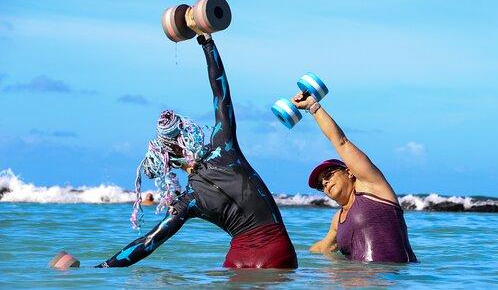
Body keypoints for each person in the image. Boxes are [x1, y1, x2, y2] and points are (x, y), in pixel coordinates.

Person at [96, 34, 297, 269]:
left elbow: (149, 242)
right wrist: (207, 43)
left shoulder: (188, 200)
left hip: (236, 260)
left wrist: (102, 268)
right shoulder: (223, 146)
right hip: (273, 250)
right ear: (187, 134)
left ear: (167, 161)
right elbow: (220, 91)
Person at [291, 92, 417, 263]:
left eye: (328, 175)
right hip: (357, 280)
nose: (325, 183)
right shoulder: (338, 220)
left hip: (390, 280)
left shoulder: (372, 186)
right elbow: (323, 248)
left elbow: (340, 141)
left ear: (349, 172)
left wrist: (313, 107)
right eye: (321, 185)